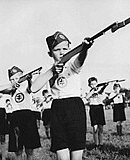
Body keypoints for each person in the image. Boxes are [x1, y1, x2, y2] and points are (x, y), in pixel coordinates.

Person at [31, 31, 93, 160]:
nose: (62, 52)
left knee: (77, 150)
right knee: (61, 149)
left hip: (75, 106)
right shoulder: (47, 68)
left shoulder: (72, 65)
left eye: (65, 48)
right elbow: (34, 88)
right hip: (57, 107)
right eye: (57, 49)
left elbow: (80, 59)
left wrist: (85, 48)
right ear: (50, 53)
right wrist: (52, 71)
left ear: (70, 49)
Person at [0, 66, 41, 160]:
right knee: (17, 148)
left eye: (17, 78)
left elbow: (30, 89)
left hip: (28, 116)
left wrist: (29, 80)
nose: (15, 80)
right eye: (12, 79)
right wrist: (11, 85)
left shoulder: (26, 87)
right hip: (15, 117)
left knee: (29, 148)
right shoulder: (11, 90)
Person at [85, 77, 108, 150]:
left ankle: (101, 143)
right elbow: (87, 97)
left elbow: (101, 91)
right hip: (93, 108)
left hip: (100, 108)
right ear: (89, 85)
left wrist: (105, 86)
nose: (94, 85)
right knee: (95, 128)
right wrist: (92, 90)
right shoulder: (89, 91)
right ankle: (96, 144)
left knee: (100, 128)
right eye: (92, 84)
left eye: (95, 84)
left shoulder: (99, 90)